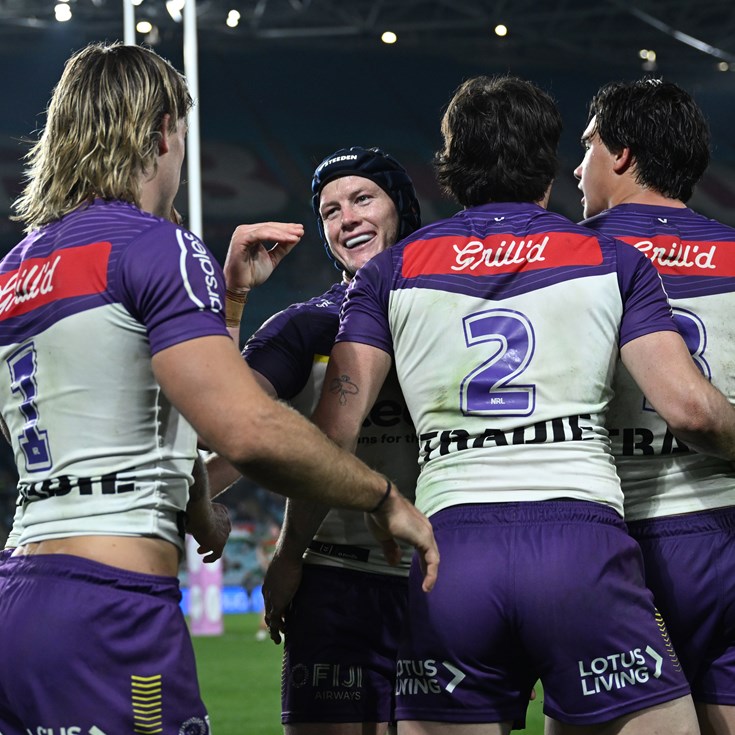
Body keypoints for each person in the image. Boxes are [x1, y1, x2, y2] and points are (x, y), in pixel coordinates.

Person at [0, 42, 438, 735]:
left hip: (20, 592)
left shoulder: (17, 267)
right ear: (163, 130)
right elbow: (245, 427)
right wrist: (380, 495)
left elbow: (139, 420)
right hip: (113, 605)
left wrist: (201, 508)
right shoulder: (158, 246)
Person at [308, 74, 735, 735]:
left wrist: (378, 499)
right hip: (582, 543)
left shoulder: (388, 273)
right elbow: (690, 407)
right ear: (546, 166)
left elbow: (330, 436)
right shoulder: (610, 258)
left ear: (449, 166)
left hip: (448, 551)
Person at [206, 146, 423, 734]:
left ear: (401, 208)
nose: (346, 219)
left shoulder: (451, 311)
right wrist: (234, 295)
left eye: (362, 199)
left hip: (439, 577)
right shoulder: (305, 325)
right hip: (333, 581)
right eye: (330, 211)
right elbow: (219, 418)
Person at [575, 78, 735, 735]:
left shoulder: (573, 261)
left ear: (621, 155)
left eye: (586, 147)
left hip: (621, 541)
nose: (576, 167)